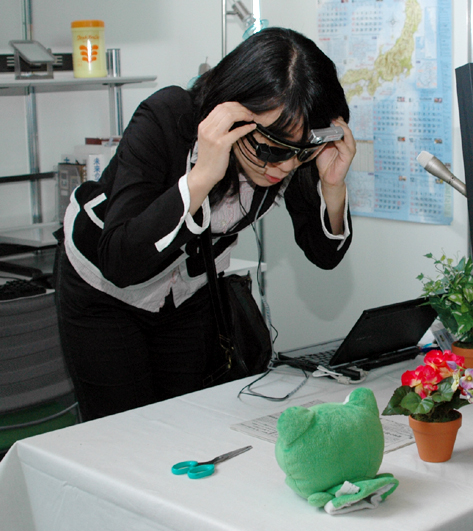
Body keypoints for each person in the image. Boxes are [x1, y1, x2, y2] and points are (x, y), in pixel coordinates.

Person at [54, 27, 356, 420]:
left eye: (299, 153)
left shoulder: (292, 147)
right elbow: (121, 262)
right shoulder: (166, 118)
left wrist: (332, 187)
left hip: (185, 291)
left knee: (186, 421)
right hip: (106, 289)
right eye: (271, 149)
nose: (284, 167)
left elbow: (324, 255)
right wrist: (201, 178)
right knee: (122, 429)